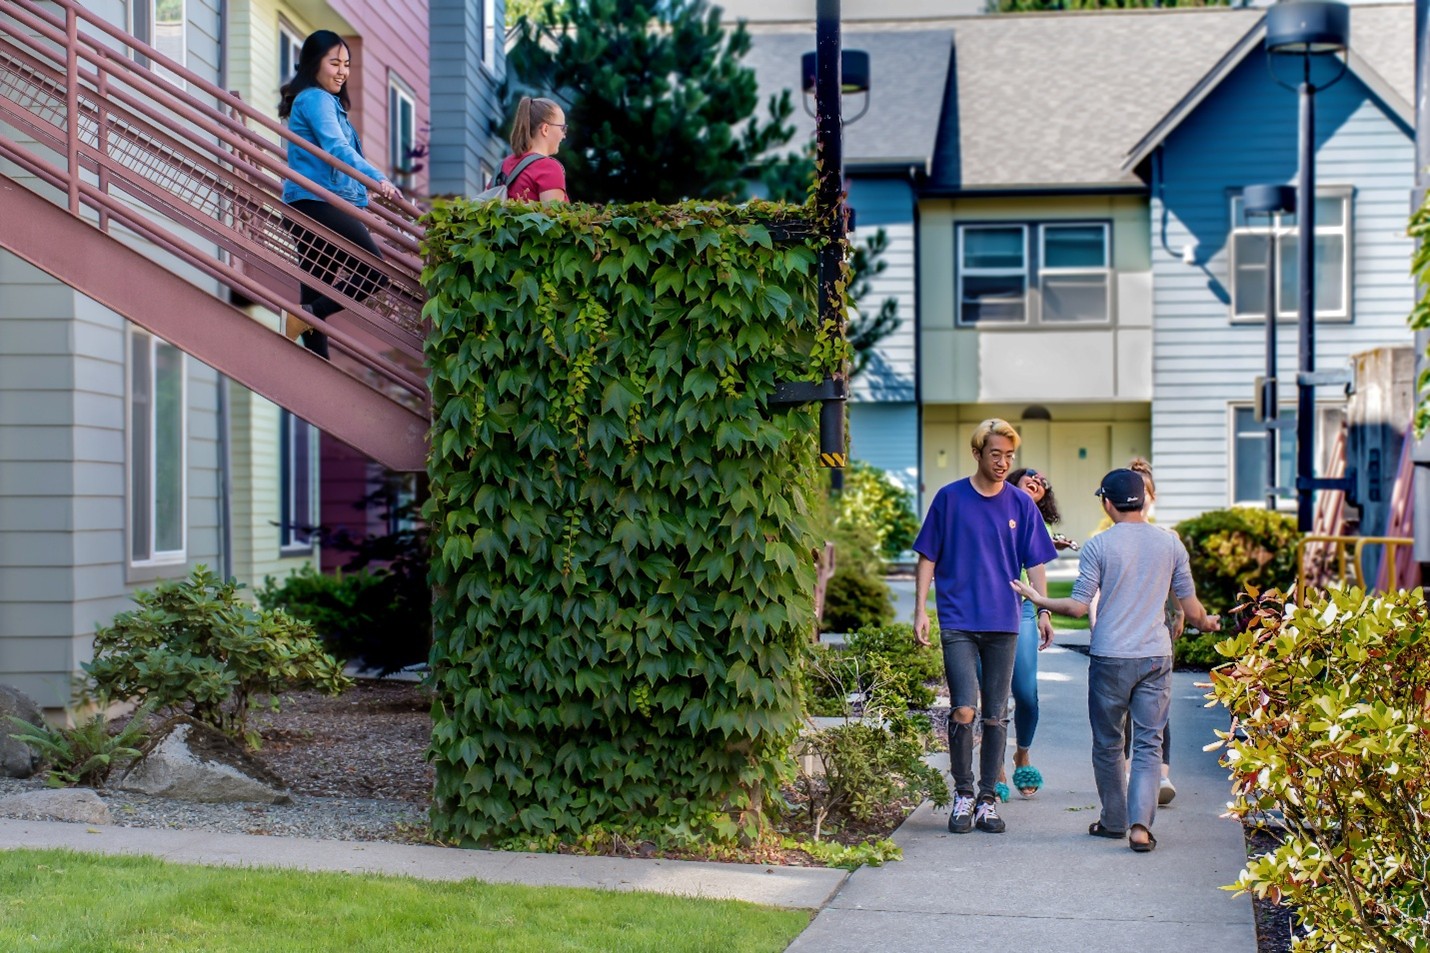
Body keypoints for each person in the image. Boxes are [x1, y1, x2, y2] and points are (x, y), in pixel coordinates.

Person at [1011, 469, 1219, 853]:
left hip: (1110, 657)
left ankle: (1113, 821)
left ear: (1107, 503)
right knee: (1148, 743)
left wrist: (1038, 600)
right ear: (1142, 499)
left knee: (1108, 744)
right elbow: (1192, 611)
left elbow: (1075, 607)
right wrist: (1209, 622)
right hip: (1155, 655)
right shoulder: (1171, 544)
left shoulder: (1098, 546)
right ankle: (1140, 827)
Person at [914, 419, 1058, 835]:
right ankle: (962, 794)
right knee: (963, 708)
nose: (1003, 462)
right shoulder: (949, 498)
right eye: (996, 454)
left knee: (996, 715)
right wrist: (921, 609)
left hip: (1004, 621)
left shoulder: (1020, 504)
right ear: (977, 453)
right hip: (958, 620)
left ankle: (986, 801)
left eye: (1009, 456)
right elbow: (928, 555)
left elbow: (1036, 562)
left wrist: (1044, 610)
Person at [279, 30, 401, 359]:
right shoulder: (316, 98)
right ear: (313, 64)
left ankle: (316, 365)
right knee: (374, 272)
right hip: (315, 203)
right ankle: (308, 315)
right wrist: (377, 179)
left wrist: (362, 201)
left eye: (347, 64)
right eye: (334, 63)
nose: (342, 71)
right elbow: (336, 148)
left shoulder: (318, 100)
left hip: (309, 204)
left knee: (315, 290)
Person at [1000, 467, 1078, 799]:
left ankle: (1023, 753)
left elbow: (1037, 566)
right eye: (1029, 478)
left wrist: (1044, 610)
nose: (1037, 482)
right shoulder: (992, 508)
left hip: (1022, 610)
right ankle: (995, 767)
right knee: (994, 698)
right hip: (980, 613)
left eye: (1042, 483)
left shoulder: (1035, 522)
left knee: (1027, 695)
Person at [496, 96, 569, 203]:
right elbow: (554, 218)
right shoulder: (548, 168)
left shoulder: (501, 168)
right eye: (562, 128)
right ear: (545, 129)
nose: (564, 136)